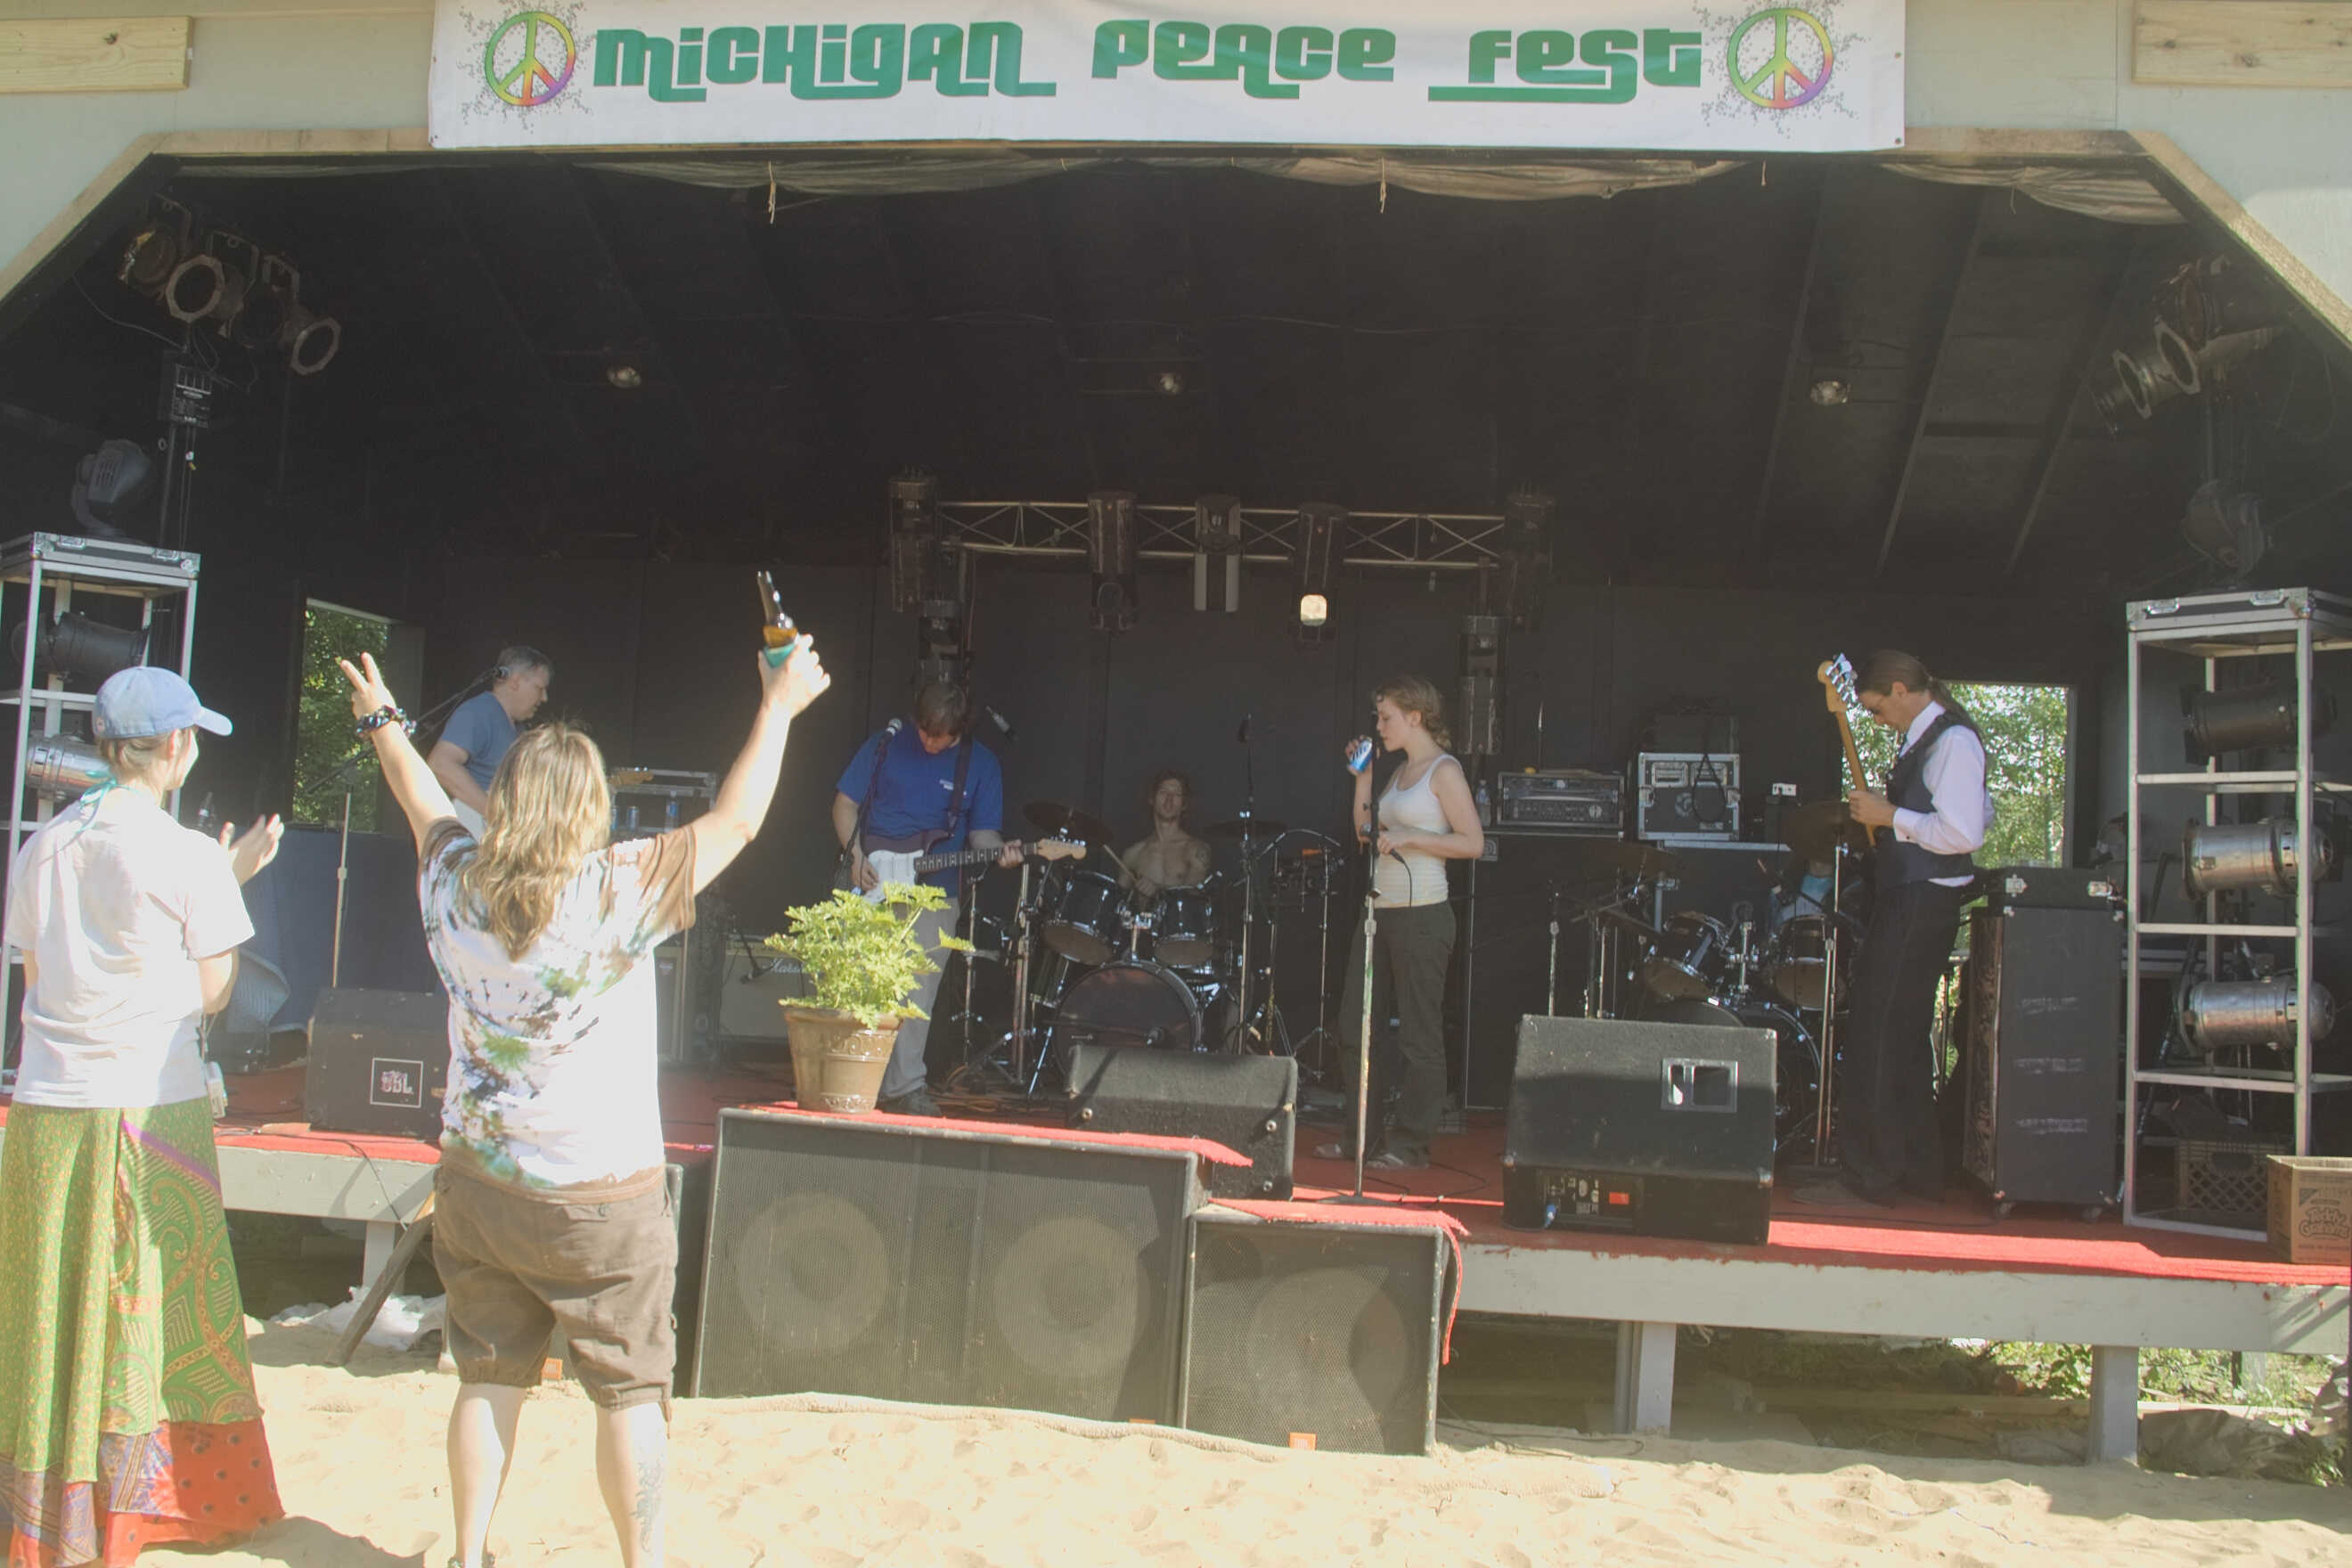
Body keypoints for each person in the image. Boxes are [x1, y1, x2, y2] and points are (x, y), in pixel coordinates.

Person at [341, 633, 831, 1568]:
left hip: (478, 1183)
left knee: (486, 1377)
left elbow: (420, 796)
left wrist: (381, 720)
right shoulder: (616, 887)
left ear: (508, 798)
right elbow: (737, 822)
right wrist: (777, 706)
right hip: (601, 1200)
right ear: (591, 807)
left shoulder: (453, 881)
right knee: (630, 1391)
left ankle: (469, 1552)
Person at [1, 667, 286, 1565]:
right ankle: (139, 1509)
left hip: (47, 1105)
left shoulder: (42, 844)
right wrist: (232, 877)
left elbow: (37, 977)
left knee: (51, 1303)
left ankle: (43, 1505)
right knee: (150, 1301)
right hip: (149, 1104)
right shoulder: (187, 853)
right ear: (174, 746)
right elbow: (212, 989)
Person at [1793, 649, 1992, 1210]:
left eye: (1879, 709)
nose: (1878, 720)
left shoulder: (1952, 741)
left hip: (1924, 898)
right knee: (1900, 1036)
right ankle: (1916, 1169)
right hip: (1917, 894)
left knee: (1877, 1033)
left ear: (1902, 690)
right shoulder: (1932, 740)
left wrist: (1892, 817)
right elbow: (1980, 811)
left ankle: (1871, 1177)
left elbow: (1965, 834)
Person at [1316, 675, 1483, 1171]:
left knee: (1417, 1032)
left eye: (1387, 716)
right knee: (1355, 1024)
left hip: (1422, 913)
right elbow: (1365, 833)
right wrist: (1363, 779)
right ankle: (1360, 1137)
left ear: (1416, 716)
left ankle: (1410, 1144)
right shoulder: (1399, 773)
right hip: (1380, 911)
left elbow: (1473, 842)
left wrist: (1411, 836)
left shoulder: (1443, 771)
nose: (1379, 726)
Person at [830, 682, 1021, 1117]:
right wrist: (854, 856)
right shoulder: (885, 745)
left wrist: (1004, 852)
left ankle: (903, 1087)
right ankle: (847, 1076)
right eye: (925, 732)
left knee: (916, 993)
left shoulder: (980, 763)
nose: (930, 743)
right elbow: (844, 804)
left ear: (961, 730)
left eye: (942, 738)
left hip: (936, 892)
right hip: (870, 878)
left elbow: (983, 834)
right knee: (857, 982)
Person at [429, 646, 553, 836]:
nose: (544, 698)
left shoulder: (519, 728)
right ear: (515, 681)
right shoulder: (478, 712)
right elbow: (441, 764)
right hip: (474, 835)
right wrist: (497, 816)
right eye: (540, 688)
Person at [1119, 769, 1211, 900]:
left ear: (1184, 804)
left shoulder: (1197, 850)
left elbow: (1193, 896)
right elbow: (1118, 902)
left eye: (1177, 794)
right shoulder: (1133, 854)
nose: (1169, 799)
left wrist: (1158, 889)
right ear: (1152, 798)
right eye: (1163, 792)